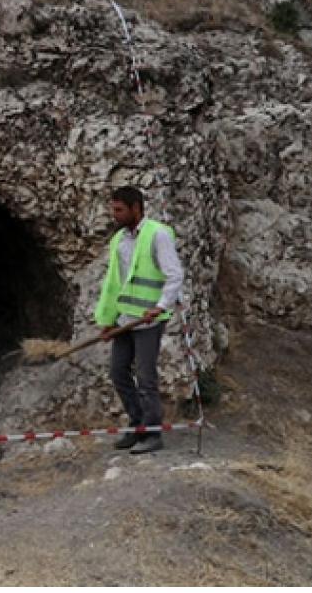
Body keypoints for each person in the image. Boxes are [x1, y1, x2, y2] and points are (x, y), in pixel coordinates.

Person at [93, 186, 183, 455]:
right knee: (118, 372)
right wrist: (108, 321)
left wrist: (160, 306)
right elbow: (114, 284)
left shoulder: (157, 235)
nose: (114, 214)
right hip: (124, 320)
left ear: (136, 208)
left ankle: (152, 433)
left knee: (145, 377)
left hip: (147, 322)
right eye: (113, 208)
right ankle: (137, 426)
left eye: (119, 209)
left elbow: (175, 275)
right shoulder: (119, 239)